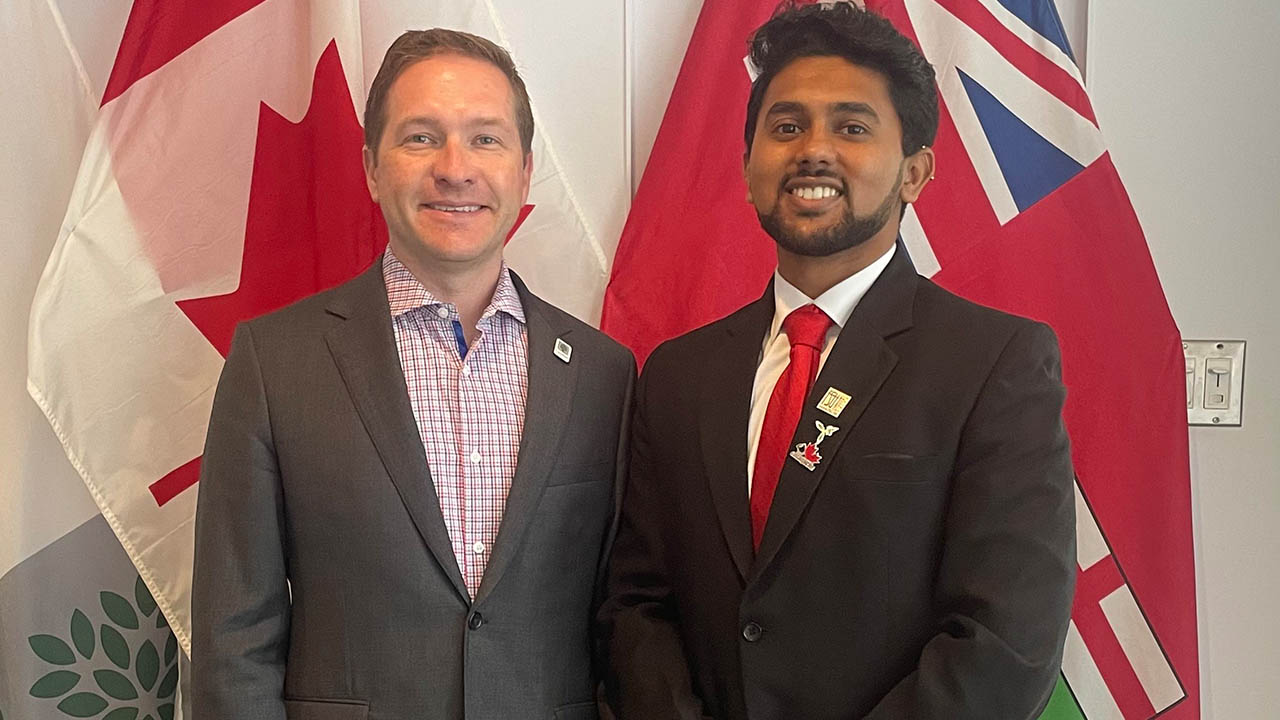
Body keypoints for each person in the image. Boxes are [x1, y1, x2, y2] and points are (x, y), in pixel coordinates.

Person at [600, 4, 1075, 719]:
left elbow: (1006, 642)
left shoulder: (995, 362)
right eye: (786, 127)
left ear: (914, 172)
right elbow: (638, 603)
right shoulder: (678, 375)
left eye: (852, 127)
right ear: (749, 163)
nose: (812, 150)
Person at [191, 29, 634, 720]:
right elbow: (232, 640)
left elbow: (624, 624)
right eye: (421, 138)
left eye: (486, 138)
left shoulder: (606, 374)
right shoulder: (275, 362)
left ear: (524, 172)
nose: (455, 168)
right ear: (372, 167)